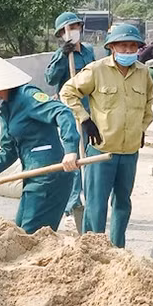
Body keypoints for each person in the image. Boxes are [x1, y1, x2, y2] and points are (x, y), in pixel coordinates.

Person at [0, 51, 80, 234]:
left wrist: (70, 149)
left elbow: (62, 112)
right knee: (20, 232)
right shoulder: (7, 110)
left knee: (32, 237)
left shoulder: (28, 96)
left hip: (50, 175)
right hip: (32, 177)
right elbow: (8, 151)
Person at [60, 23, 153, 248]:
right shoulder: (97, 70)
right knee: (96, 205)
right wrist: (84, 119)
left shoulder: (144, 74)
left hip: (130, 151)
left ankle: (117, 250)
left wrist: (142, 128)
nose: (129, 51)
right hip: (101, 150)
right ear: (112, 47)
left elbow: (149, 104)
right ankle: (93, 250)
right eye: (123, 46)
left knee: (123, 203)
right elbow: (68, 92)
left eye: (133, 46)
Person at [44, 12, 96, 225]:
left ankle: (86, 199)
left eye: (75, 27)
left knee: (88, 154)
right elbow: (50, 79)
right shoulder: (61, 55)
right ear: (61, 34)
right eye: (68, 28)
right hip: (68, 112)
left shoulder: (89, 52)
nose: (73, 31)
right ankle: (72, 202)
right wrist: (62, 57)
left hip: (88, 110)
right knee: (72, 155)